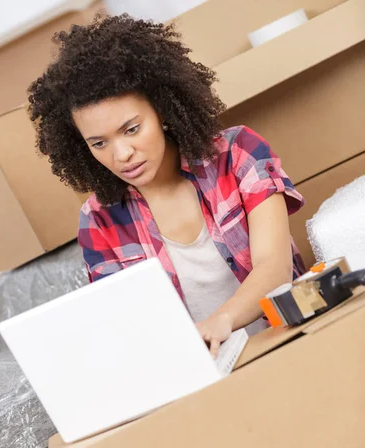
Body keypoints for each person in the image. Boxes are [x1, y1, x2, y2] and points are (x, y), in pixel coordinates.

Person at [28, 15, 305, 357]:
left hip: (291, 343)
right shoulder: (99, 221)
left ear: (160, 110)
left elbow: (274, 269)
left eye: (131, 129)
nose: (122, 154)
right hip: (205, 380)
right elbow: (130, 329)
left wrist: (222, 321)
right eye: (99, 143)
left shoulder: (238, 154)